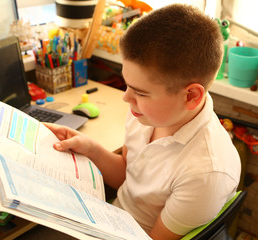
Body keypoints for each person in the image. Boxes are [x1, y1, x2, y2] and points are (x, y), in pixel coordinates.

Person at [44, 3, 241, 240]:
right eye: (127, 84)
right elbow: (128, 178)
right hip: (111, 216)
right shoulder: (146, 114)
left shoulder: (205, 172)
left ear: (191, 96)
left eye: (140, 92)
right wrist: (89, 147)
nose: (126, 98)